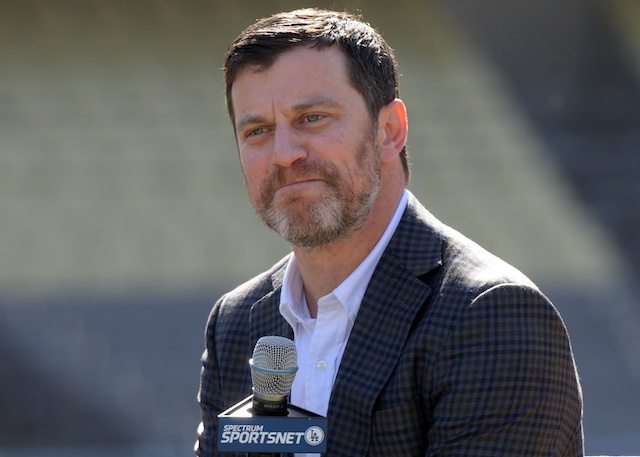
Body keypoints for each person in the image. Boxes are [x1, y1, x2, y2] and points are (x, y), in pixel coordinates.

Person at [196, 8, 584, 456]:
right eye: (258, 130)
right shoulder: (234, 323)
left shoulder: (492, 315)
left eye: (313, 118)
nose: (284, 154)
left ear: (390, 130)